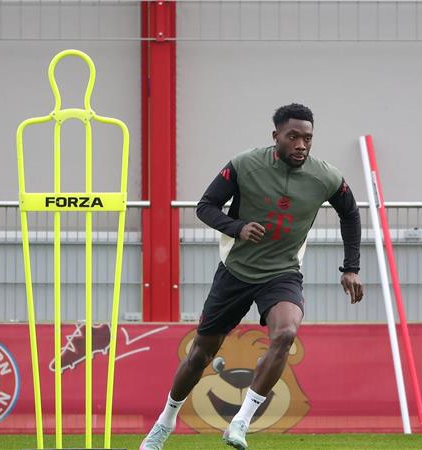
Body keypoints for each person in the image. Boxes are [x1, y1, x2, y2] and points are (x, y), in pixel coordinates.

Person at [140, 103, 364, 450]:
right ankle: (164, 424)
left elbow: (350, 213)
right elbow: (205, 206)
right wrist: (238, 227)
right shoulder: (245, 165)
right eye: (293, 137)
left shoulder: (326, 177)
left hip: (282, 272)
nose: (301, 145)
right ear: (276, 136)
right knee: (201, 352)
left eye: (307, 138)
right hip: (236, 272)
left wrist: (351, 267)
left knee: (286, 332)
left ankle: (240, 423)